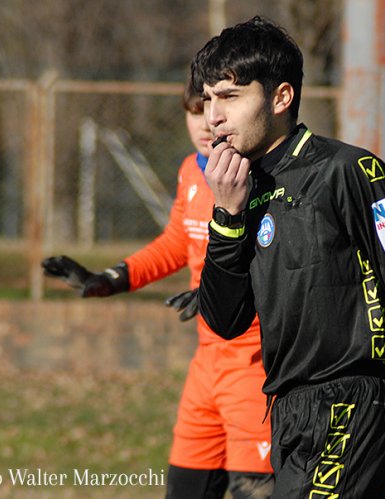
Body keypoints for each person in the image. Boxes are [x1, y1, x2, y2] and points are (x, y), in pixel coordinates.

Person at [191, 16, 385, 499]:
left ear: (280, 98)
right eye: (209, 99)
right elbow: (225, 320)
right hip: (288, 417)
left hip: (353, 405)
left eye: (230, 98)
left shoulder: (349, 171)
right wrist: (227, 218)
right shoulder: (240, 195)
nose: (213, 116)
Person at [41, 80, 274, 499]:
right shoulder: (190, 170)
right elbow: (175, 242)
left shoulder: (257, 176)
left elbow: (280, 263)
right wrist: (111, 279)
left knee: (254, 489)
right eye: (194, 110)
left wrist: (217, 292)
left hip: (255, 363)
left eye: (216, 107)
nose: (206, 122)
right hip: (206, 364)